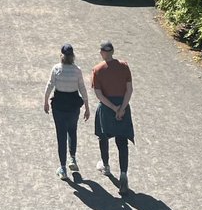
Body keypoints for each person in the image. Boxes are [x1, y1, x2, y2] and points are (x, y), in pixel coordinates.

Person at [91, 40, 134, 193]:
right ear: (113, 51)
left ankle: (106, 166)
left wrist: (113, 107)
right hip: (123, 107)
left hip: (107, 109)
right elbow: (129, 90)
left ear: (102, 53)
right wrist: (122, 108)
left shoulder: (97, 69)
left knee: (103, 137)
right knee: (122, 142)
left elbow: (98, 94)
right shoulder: (124, 66)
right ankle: (123, 175)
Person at [44, 43, 90, 179]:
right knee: (72, 130)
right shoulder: (77, 70)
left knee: (61, 135)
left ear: (61, 56)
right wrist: (87, 106)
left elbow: (50, 85)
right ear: (73, 56)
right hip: (73, 106)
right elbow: (82, 88)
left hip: (59, 105)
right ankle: (72, 158)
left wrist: (45, 100)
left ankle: (63, 168)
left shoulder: (57, 69)